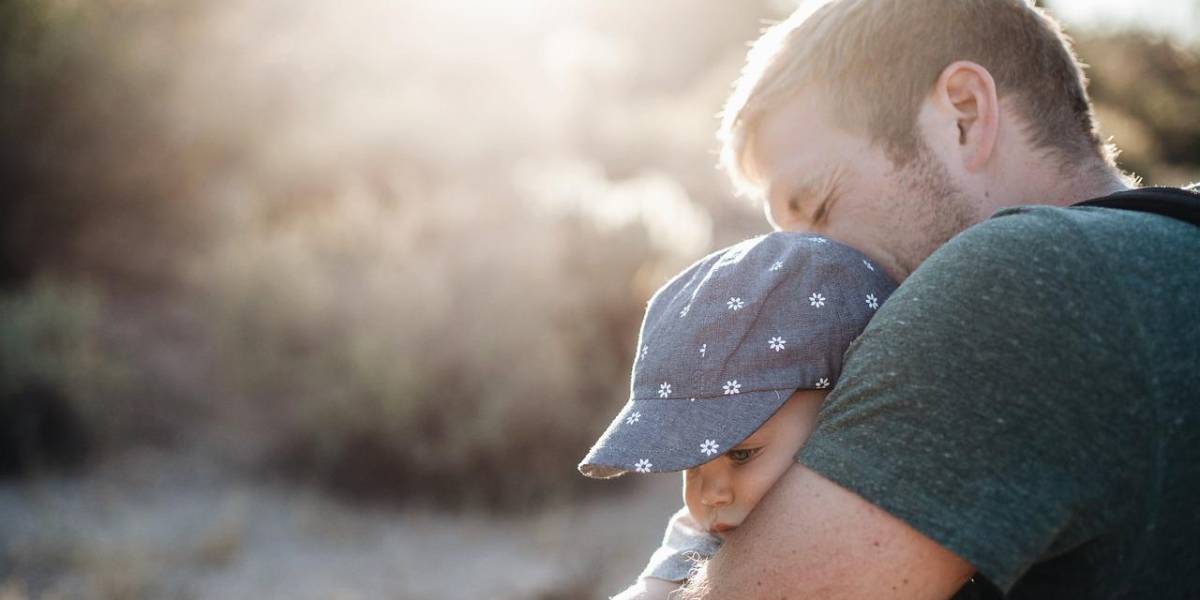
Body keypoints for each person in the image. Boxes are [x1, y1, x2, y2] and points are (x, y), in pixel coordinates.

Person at [672, 0, 1200, 598]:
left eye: (818, 207)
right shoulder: (1171, 251)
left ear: (964, 115)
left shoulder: (1015, 281)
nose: (803, 274)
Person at [576, 233, 896, 599]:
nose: (710, 495)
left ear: (843, 406)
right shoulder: (706, 538)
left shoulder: (899, 523)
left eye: (742, 454)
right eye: (692, 464)